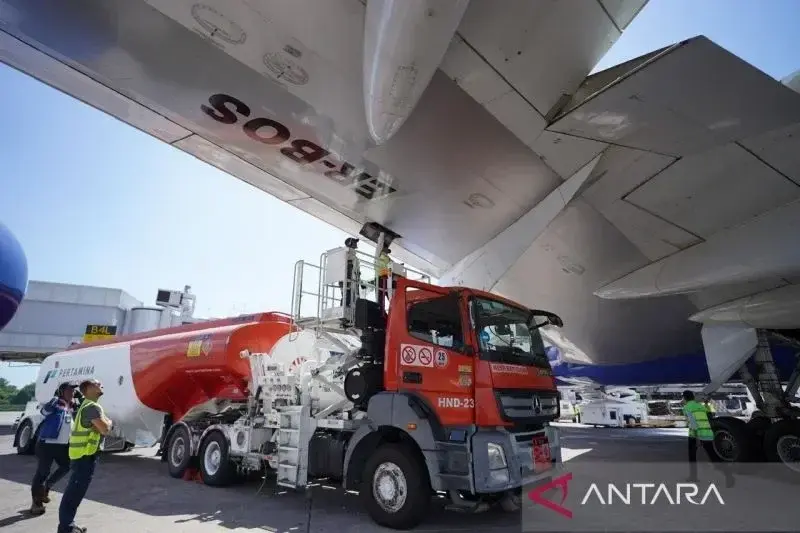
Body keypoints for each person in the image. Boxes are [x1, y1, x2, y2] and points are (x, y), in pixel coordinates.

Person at [58, 379, 113, 533]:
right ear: (88, 389)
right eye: (97, 383)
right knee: (72, 496)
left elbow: (103, 426)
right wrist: (108, 423)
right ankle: (66, 528)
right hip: (83, 458)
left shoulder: (90, 406)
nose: (101, 385)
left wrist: (106, 424)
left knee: (75, 495)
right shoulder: (91, 407)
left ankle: (69, 525)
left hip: (84, 457)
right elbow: (105, 428)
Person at [29, 382, 78, 515]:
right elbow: (44, 411)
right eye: (69, 390)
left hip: (62, 445)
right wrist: (53, 402)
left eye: (73, 391)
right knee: (42, 472)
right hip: (47, 444)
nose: (72, 393)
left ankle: (47, 486)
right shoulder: (56, 402)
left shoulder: (71, 406)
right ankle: (36, 503)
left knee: (66, 466)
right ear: (61, 392)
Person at [682, 390, 734, 487]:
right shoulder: (701, 406)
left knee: (692, 457)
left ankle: (693, 476)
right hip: (707, 433)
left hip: (695, 435)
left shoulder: (687, 408)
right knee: (713, 457)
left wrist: (697, 438)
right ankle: (727, 473)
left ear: (685, 398)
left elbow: (692, 423)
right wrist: (707, 404)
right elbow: (711, 414)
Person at [375, 245, 392, 313]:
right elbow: (384, 268)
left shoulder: (386, 258)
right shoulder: (383, 258)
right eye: (386, 251)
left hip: (385, 278)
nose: (387, 252)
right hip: (383, 278)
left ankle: (382, 311)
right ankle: (381, 311)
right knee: (383, 297)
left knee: (383, 297)